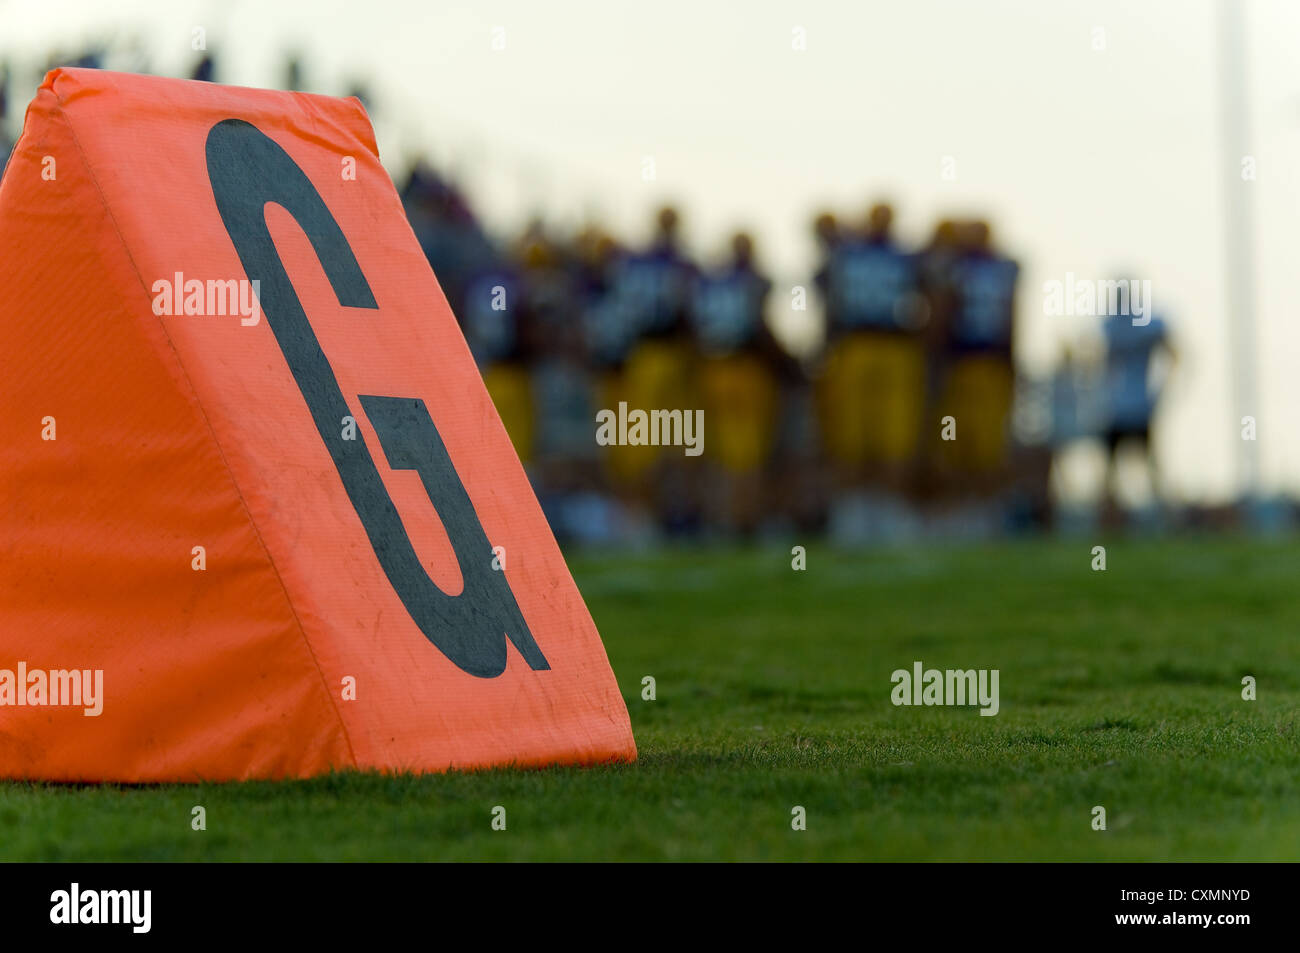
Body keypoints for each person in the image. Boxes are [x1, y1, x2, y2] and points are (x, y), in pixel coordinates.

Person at [816, 202, 925, 538]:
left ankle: (876, 514)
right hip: (873, 346)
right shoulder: (903, 257)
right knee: (856, 438)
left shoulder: (849, 254)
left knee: (889, 439)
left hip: (872, 346)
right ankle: (859, 514)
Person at [688, 231, 789, 535]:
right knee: (749, 453)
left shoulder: (705, 283)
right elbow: (759, 326)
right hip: (746, 369)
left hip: (712, 369)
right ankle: (744, 520)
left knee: (719, 451)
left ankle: (723, 518)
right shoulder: (752, 282)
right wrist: (785, 363)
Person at [937, 220, 1020, 495]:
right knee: (956, 441)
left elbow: (1011, 317)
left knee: (989, 444)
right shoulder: (955, 268)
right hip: (962, 363)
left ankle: (983, 506)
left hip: (988, 362)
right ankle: (962, 504)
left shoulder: (998, 269)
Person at [1100, 298, 1173, 521]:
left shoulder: (1121, 325)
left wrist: (1161, 392)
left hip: (1132, 407)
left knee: (1146, 469)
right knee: (1113, 474)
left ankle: (1158, 520)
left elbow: (1174, 354)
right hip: (1124, 407)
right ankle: (1116, 522)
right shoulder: (1117, 324)